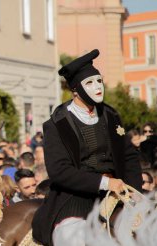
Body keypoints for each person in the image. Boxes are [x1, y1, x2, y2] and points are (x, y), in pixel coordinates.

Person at [32, 49, 142, 246]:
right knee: (75, 239)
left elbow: (129, 156)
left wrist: (135, 191)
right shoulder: (57, 124)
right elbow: (59, 171)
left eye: (99, 81)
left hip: (119, 192)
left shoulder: (111, 115)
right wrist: (105, 183)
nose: (98, 87)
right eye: (90, 83)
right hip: (74, 198)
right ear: (76, 90)